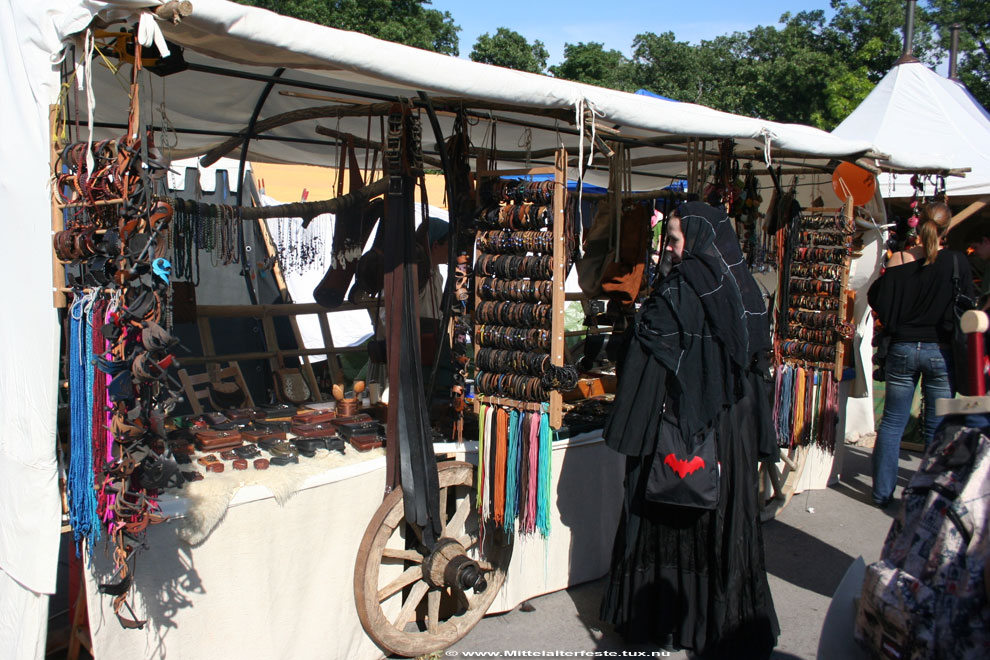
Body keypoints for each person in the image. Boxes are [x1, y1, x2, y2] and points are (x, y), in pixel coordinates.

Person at [599, 202, 779, 659]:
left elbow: (651, 354)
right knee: (721, 519)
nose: (673, 251)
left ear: (698, 239)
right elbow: (756, 363)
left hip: (683, 424)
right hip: (732, 428)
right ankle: (718, 622)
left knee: (664, 510)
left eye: (676, 240)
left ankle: (660, 617)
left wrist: (633, 427)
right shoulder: (745, 288)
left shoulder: (681, 289)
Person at [867, 202, 975, 508]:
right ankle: (929, 495)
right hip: (940, 350)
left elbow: (878, 299)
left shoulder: (900, 259)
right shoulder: (956, 262)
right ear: (947, 228)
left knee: (892, 423)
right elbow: (968, 307)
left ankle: (881, 493)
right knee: (937, 427)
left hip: (902, 347)